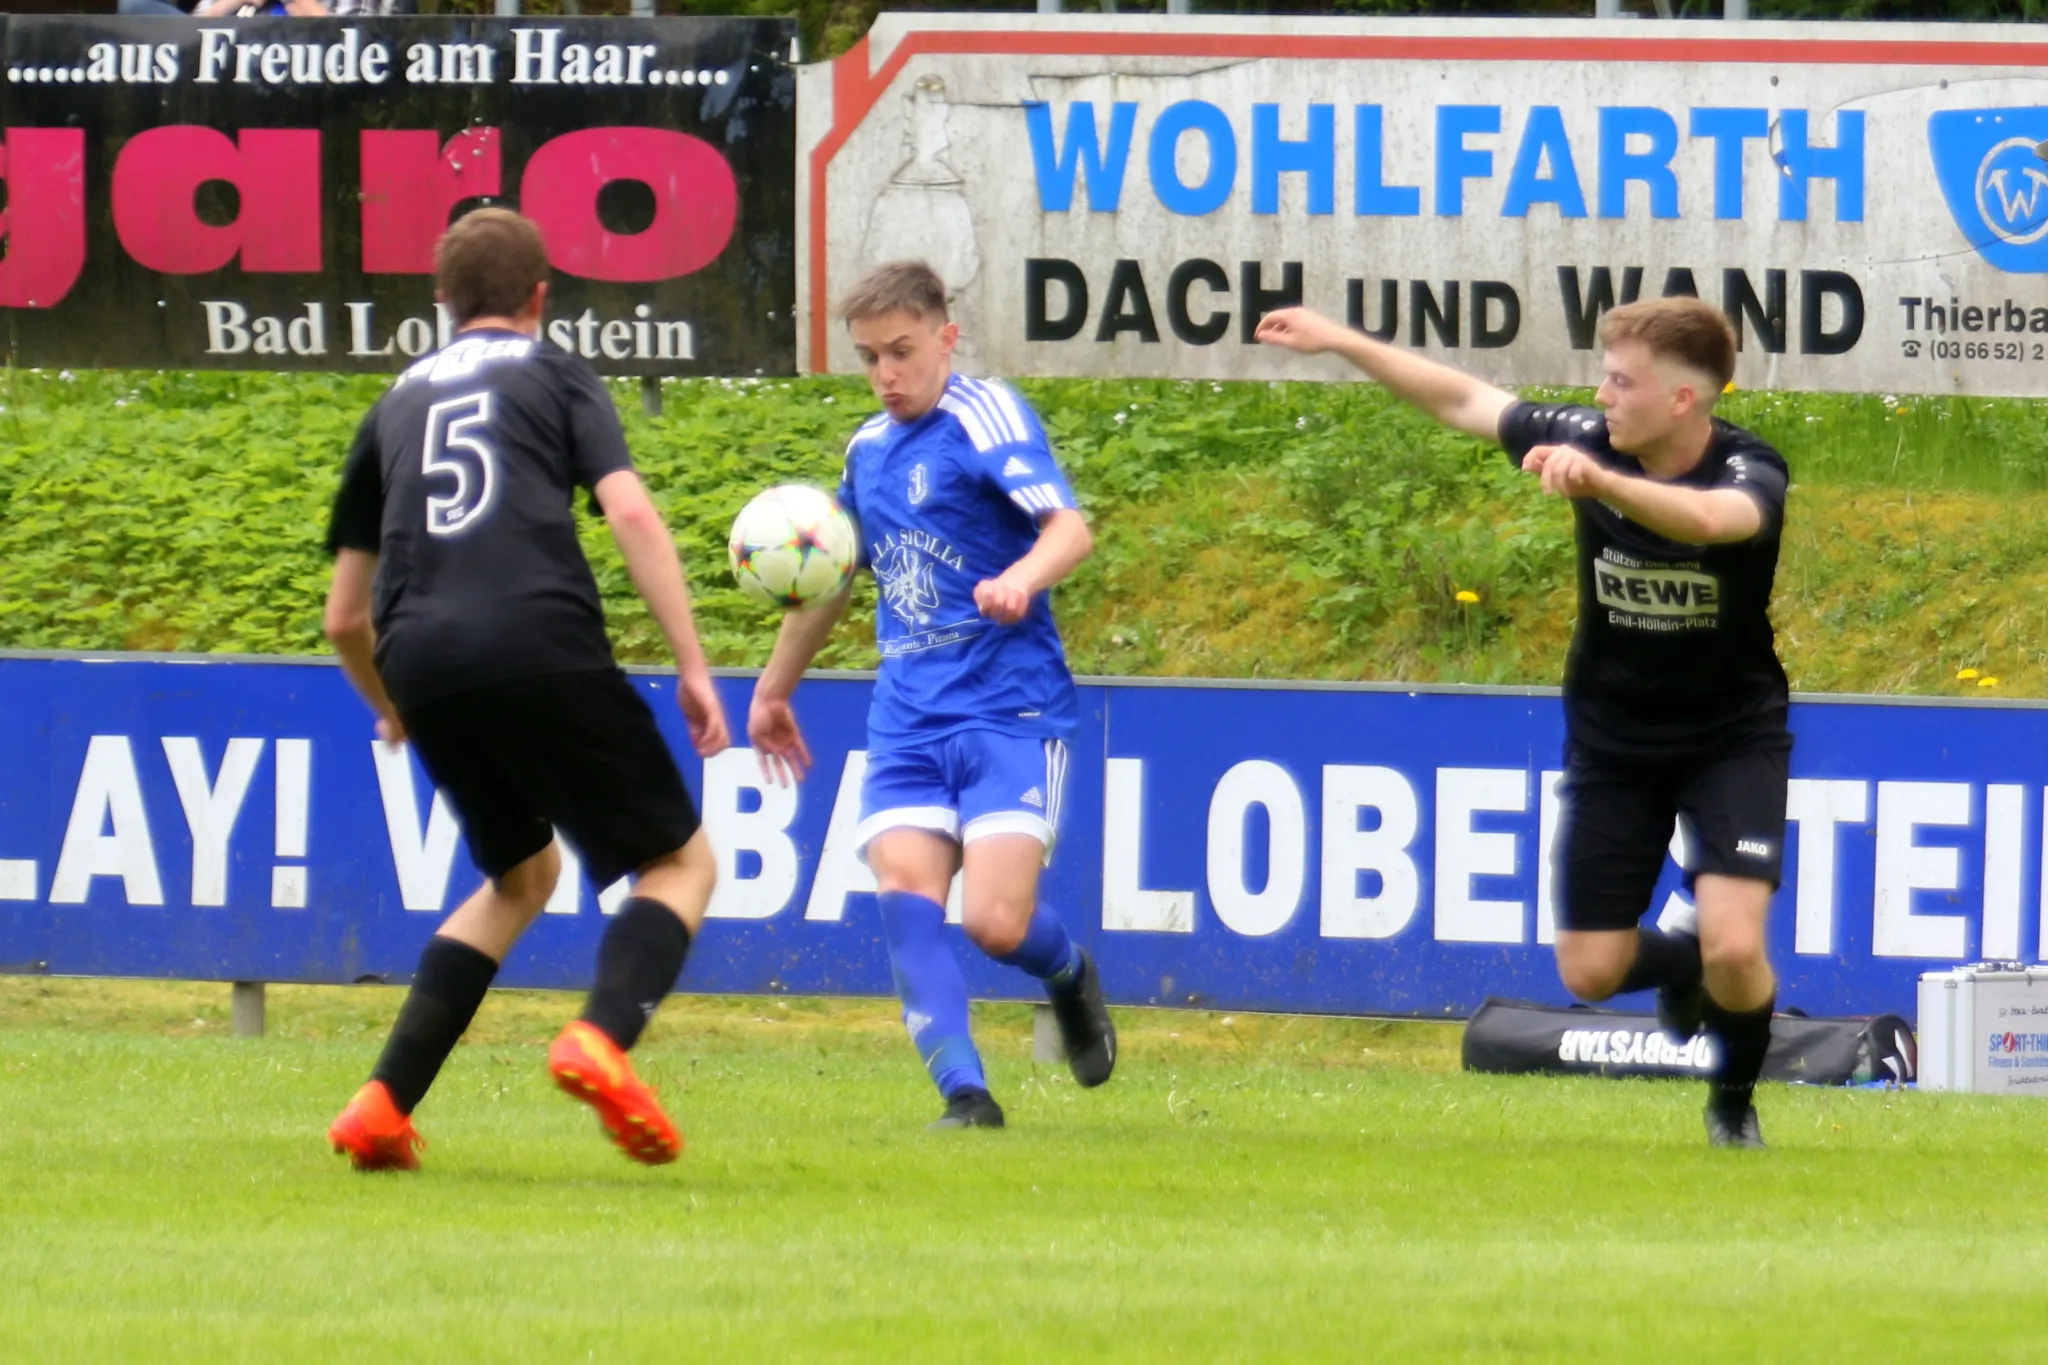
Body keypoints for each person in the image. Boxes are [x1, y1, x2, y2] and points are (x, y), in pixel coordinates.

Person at [1257, 297, 1789, 1150]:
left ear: (1683, 399)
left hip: (1731, 737)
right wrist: (1341, 341)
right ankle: (1679, 960)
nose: (1602, 395)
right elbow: (1464, 399)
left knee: (1735, 946)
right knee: (1591, 970)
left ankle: (1731, 1107)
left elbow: (1709, 522)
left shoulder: (1747, 467)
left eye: (1622, 382)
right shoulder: (1587, 436)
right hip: (1614, 742)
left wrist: (1603, 482)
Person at [322, 207, 730, 1170]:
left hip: (422, 660)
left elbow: (344, 616)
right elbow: (629, 510)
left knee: (521, 876)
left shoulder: (394, 404)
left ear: (442, 300)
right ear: (541, 296)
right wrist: (692, 663)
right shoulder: (555, 373)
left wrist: (389, 704)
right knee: (680, 865)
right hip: (538, 634)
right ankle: (601, 1036)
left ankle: (382, 1102)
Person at [746, 260, 1114, 1130]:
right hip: (908, 718)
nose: (886, 374)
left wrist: (1020, 579)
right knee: (907, 900)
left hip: (1007, 709)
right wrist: (772, 689)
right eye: (870, 357)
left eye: (902, 351)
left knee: (994, 922)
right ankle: (967, 1097)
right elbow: (836, 577)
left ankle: (1068, 973)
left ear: (947, 338)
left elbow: (1070, 529)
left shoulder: (985, 416)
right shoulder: (867, 452)